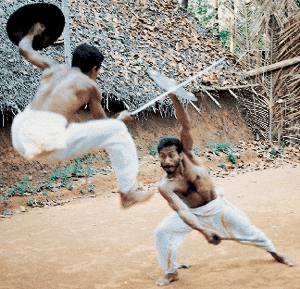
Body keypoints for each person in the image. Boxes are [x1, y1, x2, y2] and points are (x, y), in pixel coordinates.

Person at [154, 94, 293, 286]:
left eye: (170, 155)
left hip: (217, 207)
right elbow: (180, 210)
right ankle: (171, 271)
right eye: (162, 157)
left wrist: (174, 97)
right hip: (192, 213)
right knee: (162, 232)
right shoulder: (165, 186)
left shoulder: (189, 157)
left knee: (247, 230)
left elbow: (185, 125)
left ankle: (274, 252)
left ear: (180, 153)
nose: (167, 161)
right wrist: (203, 231)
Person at [11, 22, 152, 208]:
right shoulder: (90, 86)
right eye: (98, 70)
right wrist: (120, 119)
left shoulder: (54, 69)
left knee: (105, 129)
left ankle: (128, 191)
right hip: (43, 138)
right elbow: (102, 124)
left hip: (20, 131)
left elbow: (25, 49)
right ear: (94, 69)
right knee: (117, 129)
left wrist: (32, 32)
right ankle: (128, 191)